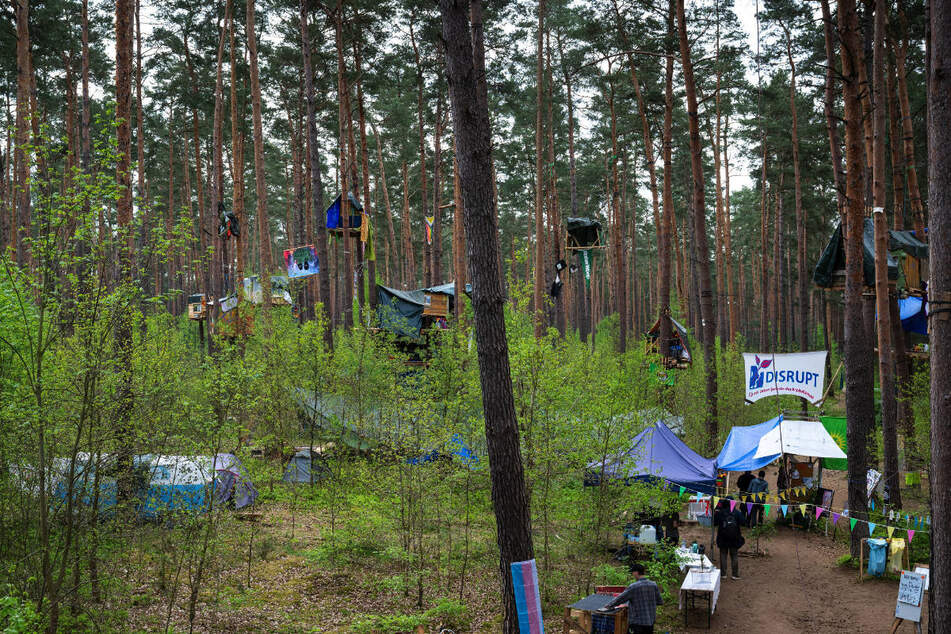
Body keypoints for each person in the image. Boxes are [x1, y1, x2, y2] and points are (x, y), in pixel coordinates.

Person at [601, 563, 664, 634]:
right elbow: (659, 602)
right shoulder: (653, 585)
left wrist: (607, 606)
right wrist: (629, 605)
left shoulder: (634, 586)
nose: (632, 574)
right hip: (650, 622)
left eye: (633, 572)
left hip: (637, 623)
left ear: (636, 572)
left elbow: (620, 599)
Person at [714, 497, 744, 580]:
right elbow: (743, 521)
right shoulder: (737, 513)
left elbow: (714, 523)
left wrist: (716, 512)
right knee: (734, 555)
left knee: (723, 554)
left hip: (722, 537)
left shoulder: (720, 513)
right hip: (734, 537)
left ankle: (723, 574)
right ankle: (735, 574)